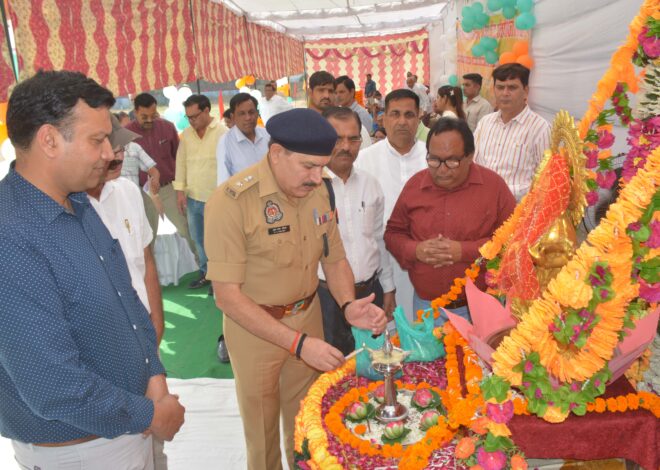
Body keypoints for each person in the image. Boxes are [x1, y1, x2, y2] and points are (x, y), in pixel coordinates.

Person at [0, 70, 184, 470]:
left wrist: (153, 377)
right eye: (97, 140)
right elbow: (53, 386)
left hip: (126, 428)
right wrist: (150, 414)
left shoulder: (79, 203)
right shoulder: (10, 236)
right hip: (79, 452)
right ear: (49, 140)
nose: (109, 153)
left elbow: (128, 302)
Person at [205, 108, 387, 470]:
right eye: (308, 166)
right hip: (255, 331)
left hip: (308, 318)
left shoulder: (319, 191)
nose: (317, 176)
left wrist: (349, 305)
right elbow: (227, 296)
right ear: (276, 154)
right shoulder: (231, 201)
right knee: (263, 434)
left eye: (322, 166)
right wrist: (299, 344)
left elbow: (333, 260)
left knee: (306, 424)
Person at [87, 115, 169, 469]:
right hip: (102, 354)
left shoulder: (128, 192)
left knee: (152, 443)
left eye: (121, 148)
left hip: (143, 343)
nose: (117, 157)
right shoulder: (69, 205)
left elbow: (145, 259)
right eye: (109, 148)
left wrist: (157, 321)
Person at [385, 118, 516, 323]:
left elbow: (514, 240)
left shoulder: (494, 187)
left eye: (452, 161)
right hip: (428, 309)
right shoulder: (415, 186)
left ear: (470, 156)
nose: (442, 169)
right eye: (434, 160)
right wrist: (415, 250)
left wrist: (464, 251)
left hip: (481, 307)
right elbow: (393, 234)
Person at [318, 106, 396, 355]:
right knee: (333, 369)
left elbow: (377, 239)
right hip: (326, 299)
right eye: (336, 138)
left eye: (353, 139)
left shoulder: (370, 184)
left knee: (372, 362)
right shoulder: (310, 188)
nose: (345, 146)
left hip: (370, 292)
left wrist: (388, 287)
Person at [355, 89, 428, 319]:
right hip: (380, 260)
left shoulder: (432, 157)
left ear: (419, 118)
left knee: (423, 328)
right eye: (395, 114)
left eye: (409, 115)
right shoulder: (365, 160)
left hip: (424, 260)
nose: (402, 121)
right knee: (387, 329)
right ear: (383, 118)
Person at [126, 92, 198, 263]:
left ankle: (204, 270)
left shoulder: (167, 127)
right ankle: (147, 281)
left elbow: (179, 158)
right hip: (142, 194)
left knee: (187, 229)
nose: (149, 120)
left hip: (169, 189)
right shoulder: (126, 134)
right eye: (144, 116)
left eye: (153, 115)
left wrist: (180, 189)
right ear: (135, 112)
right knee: (146, 237)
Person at [474, 64, 551, 201]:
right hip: (481, 205)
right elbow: (474, 163)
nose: (505, 93)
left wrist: (499, 192)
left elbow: (546, 179)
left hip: (517, 212)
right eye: (500, 87)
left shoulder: (540, 128)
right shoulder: (484, 123)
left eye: (512, 87)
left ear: (526, 91)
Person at [174, 94, 225, 291]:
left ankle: (220, 280)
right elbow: (180, 163)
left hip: (215, 200)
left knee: (218, 242)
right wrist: (180, 192)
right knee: (199, 240)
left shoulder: (222, 133)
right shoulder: (186, 135)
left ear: (206, 111)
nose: (192, 121)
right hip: (192, 198)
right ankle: (206, 274)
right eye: (188, 117)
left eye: (195, 116)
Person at [115, 112, 162, 246]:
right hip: (113, 201)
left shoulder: (134, 147)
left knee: (139, 237)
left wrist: (155, 179)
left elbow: (152, 169)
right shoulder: (104, 151)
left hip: (133, 201)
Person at [216, 93, 269, 185]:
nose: (248, 118)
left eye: (251, 112)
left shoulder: (268, 135)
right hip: (243, 198)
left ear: (257, 114)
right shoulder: (225, 142)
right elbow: (223, 182)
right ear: (233, 117)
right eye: (242, 114)